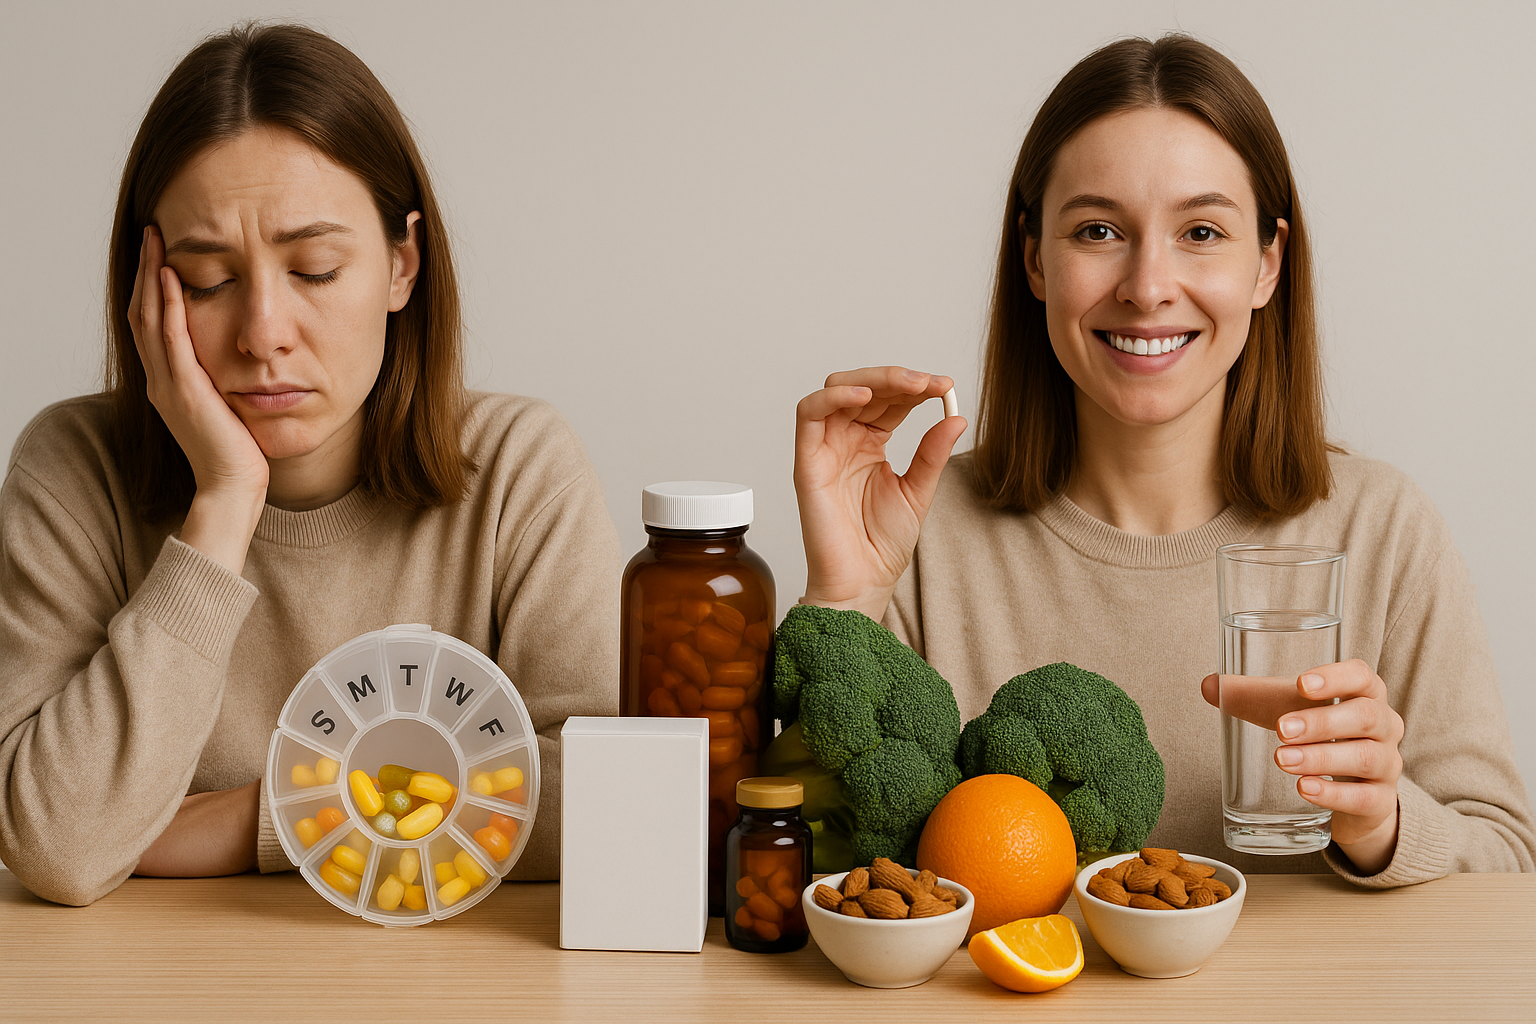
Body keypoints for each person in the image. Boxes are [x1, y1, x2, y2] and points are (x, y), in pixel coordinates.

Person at [792, 34, 1534, 884]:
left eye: (1202, 231)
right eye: (1099, 229)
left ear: (1267, 263)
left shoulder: (1382, 531)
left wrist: (1381, 820)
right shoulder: (925, 535)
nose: (1147, 285)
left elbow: (1508, 869)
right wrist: (845, 602)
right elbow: (802, 874)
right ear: (1035, 258)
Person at [0, 24, 618, 906]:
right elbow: (57, 843)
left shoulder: (519, 468)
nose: (262, 334)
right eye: (208, 280)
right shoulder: (72, 469)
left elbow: (610, 802)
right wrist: (224, 499)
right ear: (147, 289)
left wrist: (269, 812)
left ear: (403, 264)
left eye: (316, 269)